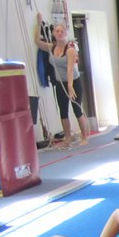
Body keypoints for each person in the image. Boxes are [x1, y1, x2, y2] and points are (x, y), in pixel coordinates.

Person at [34, 12, 90, 149]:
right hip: (60, 83)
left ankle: (84, 136)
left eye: (62, 31)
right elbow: (37, 41)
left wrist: (70, 86)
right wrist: (39, 24)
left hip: (74, 82)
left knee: (77, 109)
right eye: (57, 31)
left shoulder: (70, 50)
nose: (59, 33)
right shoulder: (51, 47)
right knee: (63, 111)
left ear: (65, 34)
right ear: (53, 33)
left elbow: (70, 69)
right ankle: (68, 138)